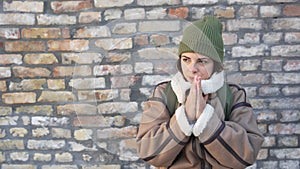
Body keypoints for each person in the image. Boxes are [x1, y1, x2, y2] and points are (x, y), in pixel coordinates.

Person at [136, 16, 264, 169]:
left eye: (201, 61)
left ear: (216, 64)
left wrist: (207, 121)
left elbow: (247, 154)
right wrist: (184, 118)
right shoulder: (164, 93)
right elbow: (147, 151)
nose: (192, 68)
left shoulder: (234, 95)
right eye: (186, 59)